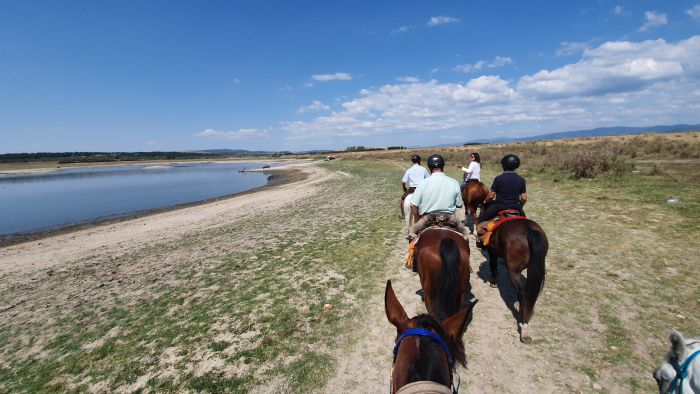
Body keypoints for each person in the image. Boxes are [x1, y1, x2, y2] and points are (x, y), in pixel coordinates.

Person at [408, 154, 470, 241]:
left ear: (429, 167)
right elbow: (459, 205)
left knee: (412, 231)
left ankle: (412, 254)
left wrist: (418, 218)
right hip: (450, 218)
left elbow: (412, 206)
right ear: (443, 166)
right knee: (465, 235)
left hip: (428, 219)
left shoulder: (423, 183)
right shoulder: (454, 182)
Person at [475, 154, 527, 243]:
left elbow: (491, 196)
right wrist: (520, 206)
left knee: (480, 221)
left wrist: (485, 202)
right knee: (525, 223)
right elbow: (524, 198)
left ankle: (480, 240)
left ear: (503, 165)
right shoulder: (521, 179)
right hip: (516, 206)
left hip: (499, 206)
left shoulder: (499, 179)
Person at [400, 155, 429, 219]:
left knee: (402, 199)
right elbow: (429, 179)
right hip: (422, 189)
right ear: (419, 161)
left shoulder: (409, 170)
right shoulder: (423, 169)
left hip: (412, 189)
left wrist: (404, 188)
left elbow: (403, 182)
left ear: (412, 161)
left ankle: (402, 214)